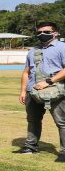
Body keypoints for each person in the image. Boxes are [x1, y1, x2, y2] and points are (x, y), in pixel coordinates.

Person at [19, 21, 65, 161]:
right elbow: (26, 72)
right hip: (32, 92)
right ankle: (30, 146)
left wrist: (48, 82)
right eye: (39, 32)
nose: (42, 34)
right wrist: (23, 91)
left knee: (62, 122)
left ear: (55, 33)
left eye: (46, 31)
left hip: (55, 91)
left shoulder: (62, 47)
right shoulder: (32, 51)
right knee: (33, 120)